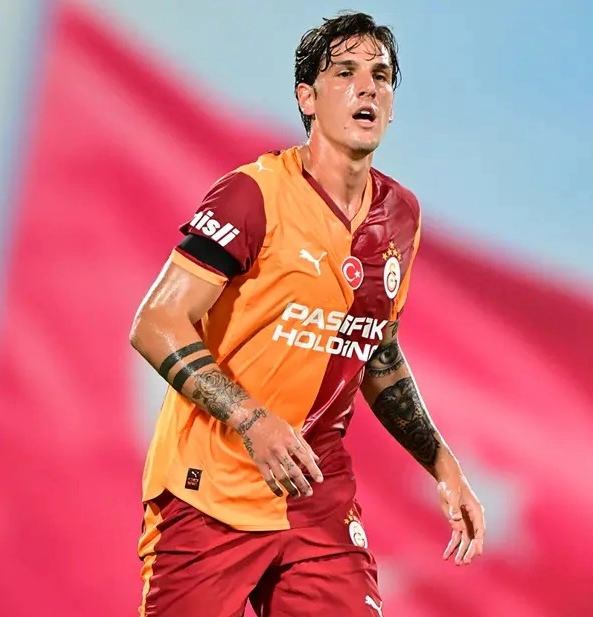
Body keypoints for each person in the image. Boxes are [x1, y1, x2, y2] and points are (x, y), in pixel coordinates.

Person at [130, 11, 486, 617]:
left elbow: (376, 349)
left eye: (380, 76)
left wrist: (443, 465)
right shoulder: (253, 195)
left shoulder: (400, 217)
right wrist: (252, 420)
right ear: (307, 98)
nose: (366, 87)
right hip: (208, 493)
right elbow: (155, 324)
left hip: (315, 496)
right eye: (345, 73)